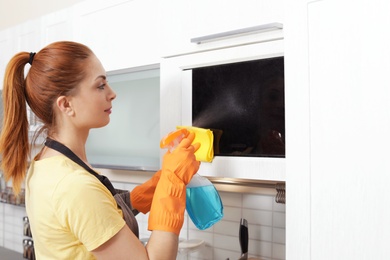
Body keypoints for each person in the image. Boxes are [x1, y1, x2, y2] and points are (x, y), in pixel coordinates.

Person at [0, 41, 200, 259]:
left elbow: (95, 215)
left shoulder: (47, 163)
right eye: (100, 85)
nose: (112, 93)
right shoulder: (73, 185)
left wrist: (155, 187)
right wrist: (172, 183)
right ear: (66, 105)